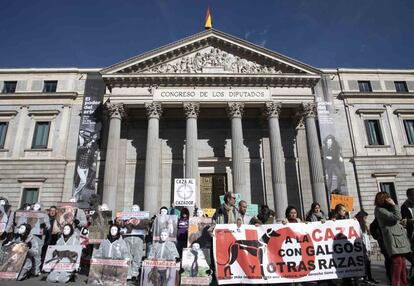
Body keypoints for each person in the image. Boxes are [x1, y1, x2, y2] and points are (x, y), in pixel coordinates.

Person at [375, 192, 411, 286]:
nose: (389, 199)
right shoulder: (380, 210)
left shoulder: (388, 208)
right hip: (393, 239)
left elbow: (397, 219)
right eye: (386, 198)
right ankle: (396, 284)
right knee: (397, 262)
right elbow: (397, 217)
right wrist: (394, 205)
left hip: (399, 237)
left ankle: (403, 283)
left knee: (402, 262)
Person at [355, 210, 378, 284]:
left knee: (368, 262)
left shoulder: (365, 225)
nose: (366, 219)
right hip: (362, 247)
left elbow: (367, 238)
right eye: (365, 218)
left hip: (367, 246)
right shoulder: (358, 225)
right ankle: (365, 277)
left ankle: (369, 277)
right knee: (365, 263)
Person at [123, 204, 144, 280]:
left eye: (136, 208)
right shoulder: (126, 218)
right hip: (127, 238)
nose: (134, 210)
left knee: (137, 256)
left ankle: (135, 273)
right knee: (127, 256)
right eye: (133, 208)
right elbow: (121, 225)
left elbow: (145, 226)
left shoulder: (143, 218)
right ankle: (128, 273)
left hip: (138, 238)